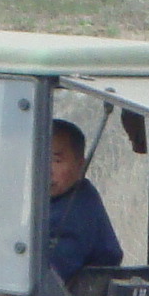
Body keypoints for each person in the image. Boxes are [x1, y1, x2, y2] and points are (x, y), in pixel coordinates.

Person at [43, 117, 121, 283]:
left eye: (57, 160)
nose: (47, 169)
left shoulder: (78, 210)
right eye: (39, 157)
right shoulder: (49, 203)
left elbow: (49, 274)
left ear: (80, 166)